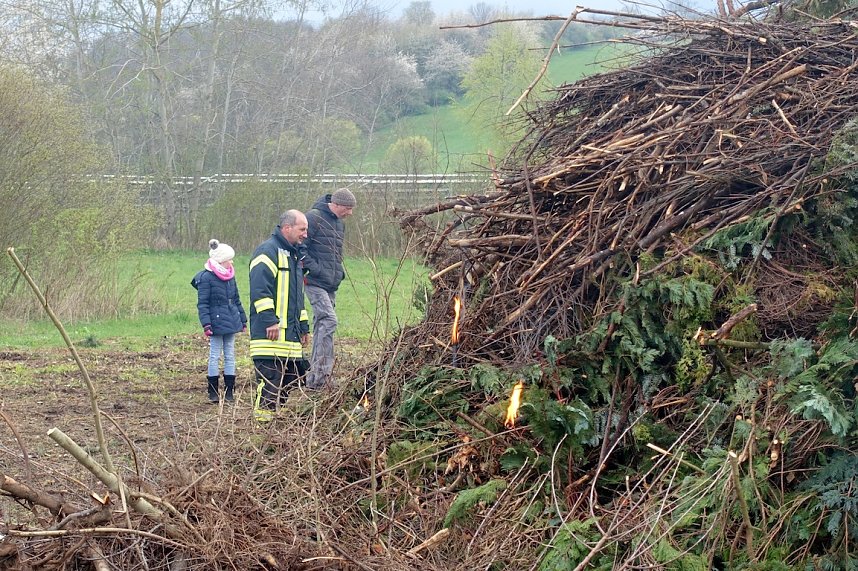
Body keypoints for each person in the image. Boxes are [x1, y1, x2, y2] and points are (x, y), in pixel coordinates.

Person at [249, 210, 311, 422]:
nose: (305, 234)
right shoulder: (267, 252)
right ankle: (263, 429)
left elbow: (296, 298)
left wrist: (303, 326)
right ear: (287, 228)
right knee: (270, 384)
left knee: (290, 381)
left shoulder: (294, 256)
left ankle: (273, 423)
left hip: (289, 338)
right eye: (302, 229)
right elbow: (260, 289)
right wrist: (270, 320)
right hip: (271, 337)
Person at [303, 188, 356, 390]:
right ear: (337, 204)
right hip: (314, 282)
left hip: (330, 284)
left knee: (322, 327)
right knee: (329, 320)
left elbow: (335, 254)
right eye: (348, 208)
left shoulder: (339, 224)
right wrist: (317, 271)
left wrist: (338, 273)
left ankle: (315, 378)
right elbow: (301, 250)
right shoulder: (313, 218)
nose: (350, 213)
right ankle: (322, 377)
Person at [196, 239, 247, 403]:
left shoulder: (231, 276)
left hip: (231, 320)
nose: (231, 262)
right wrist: (206, 324)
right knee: (214, 356)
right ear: (220, 260)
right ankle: (212, 392)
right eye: (229, 259)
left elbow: (236, 299)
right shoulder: (206, 278)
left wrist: (243, 319)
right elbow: (203, 304)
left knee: (230, 355)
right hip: (215, 323)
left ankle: (230, 392)